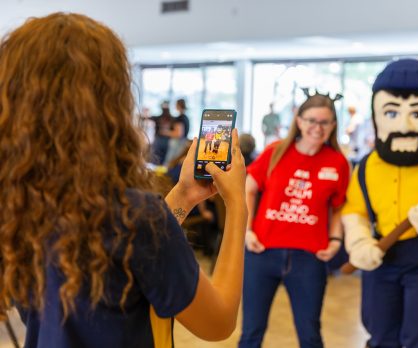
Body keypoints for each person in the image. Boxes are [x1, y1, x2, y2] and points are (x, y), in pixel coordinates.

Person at [0, 12, 247, 348]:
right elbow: (217, 322)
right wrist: (238, 206)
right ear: (108, 103)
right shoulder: (135, 216)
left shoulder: (17, 204)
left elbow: (131, 248)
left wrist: (184, 195)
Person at [342, 58, 418, 348]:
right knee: (380, 333)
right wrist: (359, 242)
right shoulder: (367, 166)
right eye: (392, 112)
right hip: (381, 256)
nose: (405, 125)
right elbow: (355, 210)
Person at [238, 92, 350, 348]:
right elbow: (249, 187)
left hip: (308, 258)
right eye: (311, 120)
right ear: (298, 121)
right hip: (262, 252)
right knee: (251, 333)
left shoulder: (338, 162)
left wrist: (335, 240)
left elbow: (339, 207)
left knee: (310, 334)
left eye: (324, 122)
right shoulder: (275, 152)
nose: (317, 128)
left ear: (333, 125)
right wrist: (247, 230)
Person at [163, 98, 190, 166]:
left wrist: (166, 132)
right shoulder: (186, 117)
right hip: (183, 142)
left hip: (177, 143)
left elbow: (178, 134)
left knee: (170, 163)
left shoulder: (180, 118)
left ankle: (165, 176)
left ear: (178, 105)